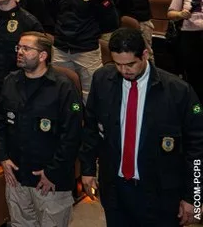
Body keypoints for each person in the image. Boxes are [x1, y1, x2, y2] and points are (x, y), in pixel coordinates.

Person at [80, 27, 203, 226]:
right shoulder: (102, 79)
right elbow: (91, 128)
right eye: (117, 64)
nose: (123, 70)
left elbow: (197, 150)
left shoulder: (178, 91)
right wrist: (87, 169)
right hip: (116, 190)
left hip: (160, 194)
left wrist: (194, 198)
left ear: (144, 54)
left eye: (130, 64)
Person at [0, 31, 82, 227]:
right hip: (17, 176)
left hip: (50, 182)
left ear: (43, 56)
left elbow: (72, 136)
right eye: (19, 47)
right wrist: (3, 157)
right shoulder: (11, 81)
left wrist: (53, 172)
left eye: (26, 48)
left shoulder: (63, 88)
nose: (20, 52)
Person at [49, 0, 119, 100]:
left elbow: (110, 21)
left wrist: (91, 34)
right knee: (60, 89)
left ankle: (90, 122)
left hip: (86, 49)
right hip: (61, 48)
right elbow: (53, 15)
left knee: (91, 92)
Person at [167, 0, 203, 99]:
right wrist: (181, 14)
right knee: (192, 73)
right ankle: (195, 104)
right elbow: (170, 14)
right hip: (189, 36)